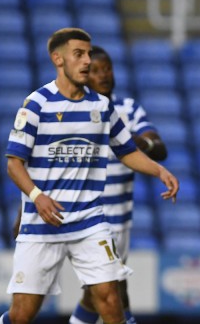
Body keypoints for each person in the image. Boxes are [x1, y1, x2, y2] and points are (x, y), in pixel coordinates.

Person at [0, 28, 179, 324]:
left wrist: (160, 171)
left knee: (111, 299)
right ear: (58, 59)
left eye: (88, 54)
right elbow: (14, 164)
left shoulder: (102, 106)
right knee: (22, 314)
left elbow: (127, 151)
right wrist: (36, 198)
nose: (86, 61)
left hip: (90, 222)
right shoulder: (36, 104)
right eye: (79, 54)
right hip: (44, 223)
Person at [68, 46, 167, 324]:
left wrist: (139, 142)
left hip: (121, 219)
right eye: (95, 70)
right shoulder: (74, 113)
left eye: (108, 69)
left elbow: (160, 148)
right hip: (90, 219)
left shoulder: (128, 109)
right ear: (84, 75)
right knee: (114, 291)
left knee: (97, 296)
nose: (103, 75)